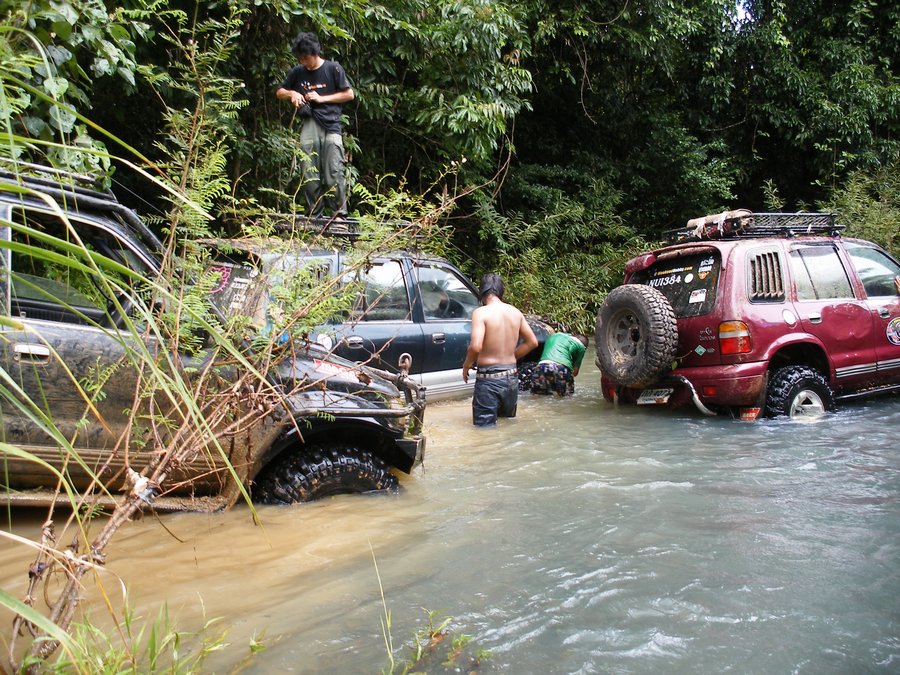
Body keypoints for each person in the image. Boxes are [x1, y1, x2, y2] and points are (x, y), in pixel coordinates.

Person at [276, 32, 354, 218]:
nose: (303, 61)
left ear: (315, 53)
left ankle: (339, 216)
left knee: (333, 171)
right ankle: (314, 216)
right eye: (300, 58)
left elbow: (349, 94)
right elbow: (279, 91)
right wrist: (292, 94)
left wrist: (321, 98)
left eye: (306, 58)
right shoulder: (298, 72)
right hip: (309, 124)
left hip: (331, 125)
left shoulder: (333, 68)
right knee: (309, 172)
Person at [462, 273, 538, 427]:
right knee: (507, 426)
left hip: (489, 379)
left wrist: (467, 364)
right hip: (511, 378)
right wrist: (511, 356)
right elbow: (532, 342)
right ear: (501, 292)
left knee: (484, 430)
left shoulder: (480, 313)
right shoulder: (515, 312)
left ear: (482, 292)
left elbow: (476, 346)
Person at [530, 332, 588, 397]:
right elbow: (575, 372)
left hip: (541, 366)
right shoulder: (581, 347)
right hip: (561, 368)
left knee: (536, 396)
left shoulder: (555, 335)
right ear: (585, 347)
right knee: (566, 398)